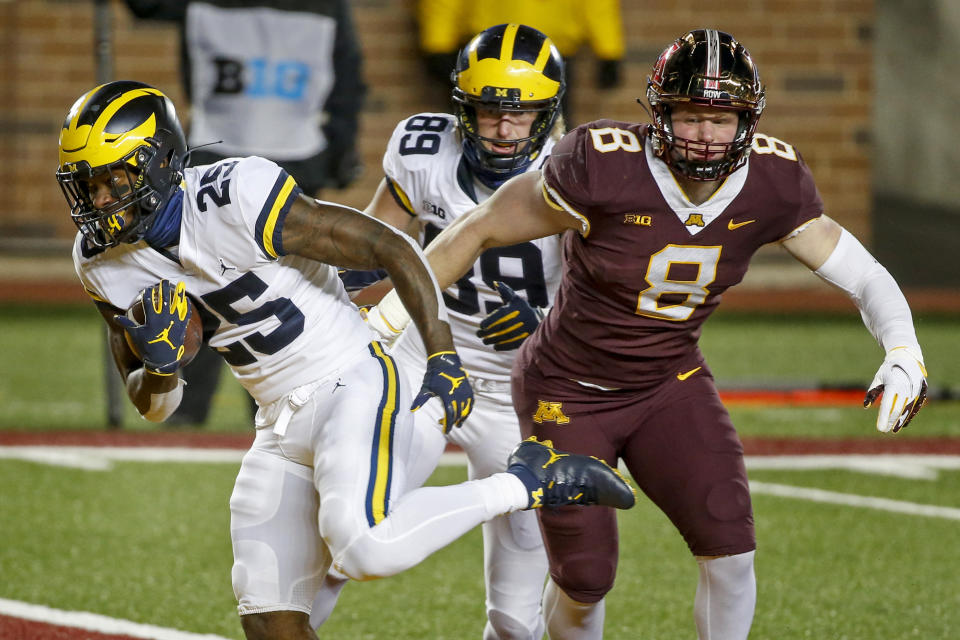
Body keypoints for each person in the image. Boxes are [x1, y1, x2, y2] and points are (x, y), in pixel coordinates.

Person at [361, 29, 930, 639]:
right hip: (567, 388)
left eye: (723, 117)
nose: (705, 135)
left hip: (669, 384)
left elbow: (862, 273)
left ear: (750, 118)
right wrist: (390, 317)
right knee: (583, 579)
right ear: (659, 113)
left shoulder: (773, 179)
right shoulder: (602, 163)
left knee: (730, 547)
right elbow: (476, 228)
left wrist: (902, 347)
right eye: (689, 115)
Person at [55, 81, 636, 640]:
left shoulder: (236, 197)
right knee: (268, 613)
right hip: (275, 416)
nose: (100, 201)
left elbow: (391, 245)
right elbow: (154, 406)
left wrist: (440, 355)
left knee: (364, 548)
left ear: (158, 162)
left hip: (350, 378)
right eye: (86, 186)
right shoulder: (102, 260)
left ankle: (528, 479)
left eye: (112, 179)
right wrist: (160, 368)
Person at [317, 24, 566, 639]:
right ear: (463, 107)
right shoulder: (424, 149)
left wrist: (550, 328)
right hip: (423, 358)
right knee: (342, 537)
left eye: (522, 113)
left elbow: (614, 294)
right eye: (489, 111)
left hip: (522, 389)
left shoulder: (580, 170)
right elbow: (375, 246)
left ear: (549, 113)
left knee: (514, 617)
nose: (505, 129)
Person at [124, 0, 367, 426]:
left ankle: (279, 407)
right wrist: (338, 147)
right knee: (202, 285)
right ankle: (193, 414)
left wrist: (339, 147)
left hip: (279, 159)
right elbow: (349, 80)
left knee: (265, 290)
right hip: (238, 158)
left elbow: (347, 75)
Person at [415, 0, 625, 124]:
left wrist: (608, 49)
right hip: (488, 54)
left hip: (550, 55)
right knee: (480, 129)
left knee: (551, 132)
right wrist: (437, 42)